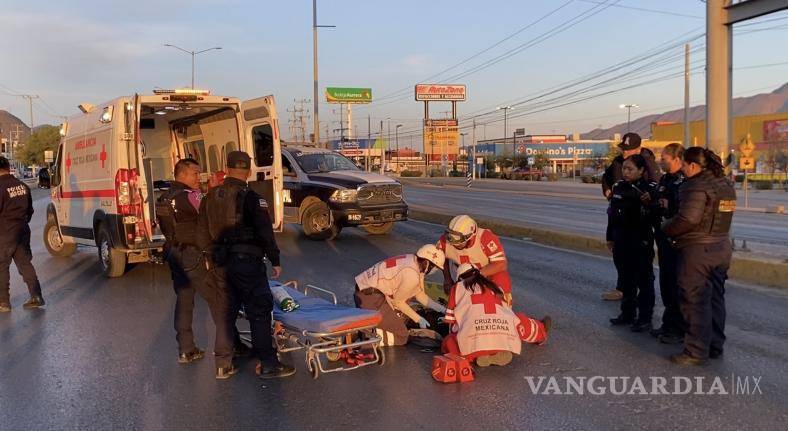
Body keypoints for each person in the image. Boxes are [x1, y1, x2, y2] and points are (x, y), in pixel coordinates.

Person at [198, 151, 295, 379]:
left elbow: (201, 233)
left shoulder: (210, 197)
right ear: (249, 171)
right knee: (259, 311)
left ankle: (223, 365)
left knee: (225, 313)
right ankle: (268, 363)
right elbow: (264, 232)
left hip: (219, 263)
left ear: (227, 168)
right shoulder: (252, 197)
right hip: (247, 263)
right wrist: (275, 259)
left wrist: (210, 256)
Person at [157, 158, 247, 366]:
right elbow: (211, 216)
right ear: (182, 175)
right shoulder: (192, 196)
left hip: (173, 253)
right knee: (219, 301)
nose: (199, 178)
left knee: (184, 301)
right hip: (194, 255)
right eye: (195, 174)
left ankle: (186, 349)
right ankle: (232, 348)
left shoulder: (164, 198)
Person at [662, 147, 735, 366]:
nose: (682, 170)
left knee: (695, 300)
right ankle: (714, 345)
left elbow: (688, 219)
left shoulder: (694, 185)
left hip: (698, 251)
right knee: (715, 298)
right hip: (721, 247)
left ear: (693, 166)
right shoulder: (725, 184)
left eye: (683, 165)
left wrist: (666, 227)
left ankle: (695, 351)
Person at [442, 264, 551, 367]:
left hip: (475, 340)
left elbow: (451, 323)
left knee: (449, 341)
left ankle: (474, 357)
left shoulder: (457, 288)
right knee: (517, 320)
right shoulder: (494, 286)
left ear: (459, 278)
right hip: (503, 333)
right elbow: (507, 310)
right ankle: (540, 330)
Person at [600, 132, 661, 301]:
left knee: (641, 267)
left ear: (639, 149)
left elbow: (656, 189)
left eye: (629, 150)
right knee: (620, 258)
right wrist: (607, 190)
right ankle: (624, 292)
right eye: (623, 149)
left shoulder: (647, 164)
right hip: (619, 215)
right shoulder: (618, 161)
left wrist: (648, 198)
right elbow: (606, 177)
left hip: (638, 223)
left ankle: (642, 299)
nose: (624, 153)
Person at [354, 244, 448, 346]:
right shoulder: (412, 274)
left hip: (366, 292)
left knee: (398, 320)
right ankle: (365, 338)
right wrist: (418, 319)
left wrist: (443, 310)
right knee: (402, 336)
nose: (435, 270)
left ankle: (365, 328)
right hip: (370, 298)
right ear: (427, 263)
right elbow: (398, 302)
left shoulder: (412, 261)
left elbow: (420, 295)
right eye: (434, 267)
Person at [607, 154, 657, 332]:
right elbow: (612, 215)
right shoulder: (618, 187)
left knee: (643, 281)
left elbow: (656, 216)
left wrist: (651, 203)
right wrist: (610, 237)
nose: (626, 172)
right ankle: (627, 314)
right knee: (626, 280)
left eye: (630, 169)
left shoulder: (648, 189)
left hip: (640, 242)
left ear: (641, 170)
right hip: (621, 241)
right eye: (624, 169)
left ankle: (644, 318)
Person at [649, 143, 686, 344]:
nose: (661, 161)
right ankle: (668, 324)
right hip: (663, 237)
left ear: (677, 159)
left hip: (677, 241)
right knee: (666, 285)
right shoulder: (665, 179)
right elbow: (658, 200)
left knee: (676, 285)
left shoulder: (683, 181)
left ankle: (679, 329)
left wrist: (666, 204)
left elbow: (682, 211)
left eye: (665, 158)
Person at [437, 214, 513, 305]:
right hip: (464, 280)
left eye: (457, 239)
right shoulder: (445, 241)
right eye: (450, 236)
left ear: (470, 236)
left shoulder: (485, 237)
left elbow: (501, 264)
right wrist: (447, 278)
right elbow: (440, 258)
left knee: (498, 302)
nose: (452, 242)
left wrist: (475, 276)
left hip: (490, 279)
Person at [0, 156, 44, 312]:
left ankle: (3, 302)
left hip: (5, 233)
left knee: (2, 267)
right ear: (8, 167)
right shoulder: (23, 186)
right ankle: (36, 296)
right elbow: (30, 211)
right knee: (25, 264)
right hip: (22, 231)